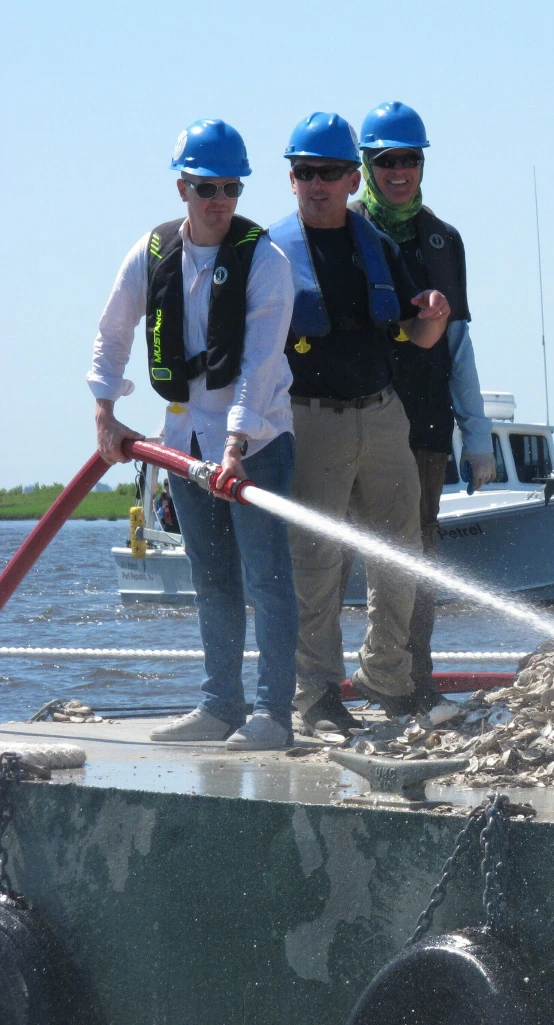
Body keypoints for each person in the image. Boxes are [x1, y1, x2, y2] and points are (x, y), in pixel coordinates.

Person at [88, 119, 298, 750]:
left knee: (268, 580)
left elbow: (259, 366)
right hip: (183, 444)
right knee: (211, 578)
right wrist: (105, 411)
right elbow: (113, 332)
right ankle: (219, 705)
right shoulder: (152, 253)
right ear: (183, 187)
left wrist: (235, 447)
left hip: (257, 444)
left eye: (232, 187)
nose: (220, 200)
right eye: (207, 187)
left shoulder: (266, 261)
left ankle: (273, 714)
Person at [268, 112, 453, 735]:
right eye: (305, 172)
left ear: (353, 180)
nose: (316, 184)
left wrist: (433, 314)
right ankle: (316, 695)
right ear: (291, 179)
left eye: (329, 172)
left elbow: (418, 334)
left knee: (402, 552)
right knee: (315, 563)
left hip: (382, 414)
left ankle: (386, 674)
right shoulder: (271, 254)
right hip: (309, 419)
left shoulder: (379, 247)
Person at [350, 100, 495, 694]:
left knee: (418, 555)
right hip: (350, 421)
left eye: (410, 159)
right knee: (334, 554)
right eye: (386, 160)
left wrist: (478, 437)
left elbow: (458, 346)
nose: (399, 171)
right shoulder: (342, 230)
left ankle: (413, 680)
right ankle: (325, 688)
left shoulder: (444, 241)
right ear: (366, 165)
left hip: (425, 427)